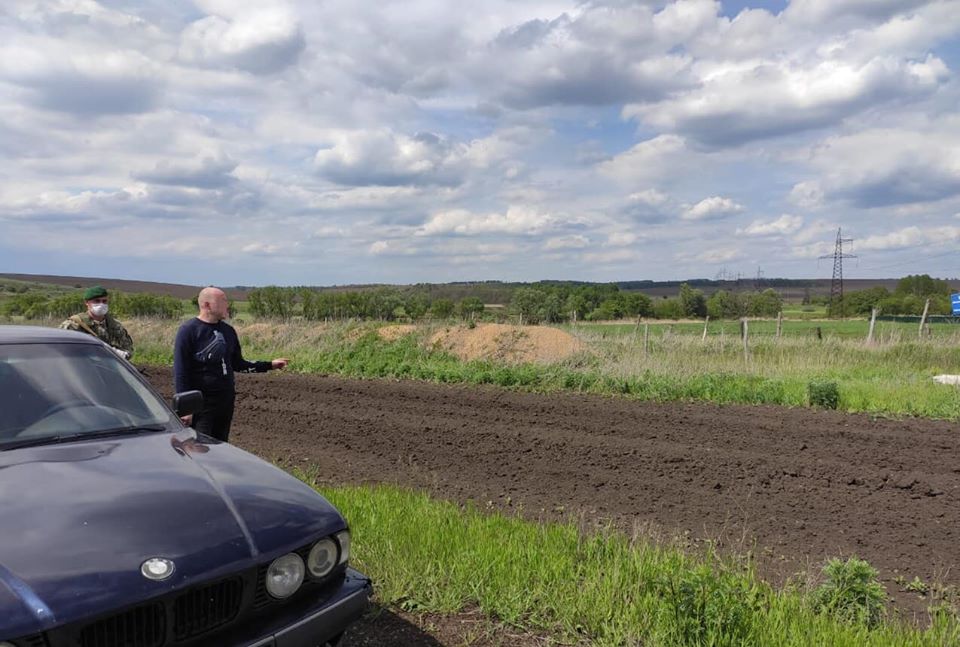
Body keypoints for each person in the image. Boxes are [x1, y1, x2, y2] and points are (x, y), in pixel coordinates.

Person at [173, 287, 288, 442]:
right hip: (201, 404)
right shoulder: (188, 331)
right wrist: (186, 409)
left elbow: (238, 364)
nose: (227, 305)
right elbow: (181, 372)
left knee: (221, 447)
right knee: (200, 449)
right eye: (222, 301)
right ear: (207, 305)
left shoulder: (228, 331)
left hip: (225, 401)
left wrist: (269, 365)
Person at [60, 285, 134, 359]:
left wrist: (121, 354)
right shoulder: (73, 324)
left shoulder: (115, 325)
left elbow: (129, 350)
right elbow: (60, 349)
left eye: (104, 301)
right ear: (87, 303)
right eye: (97, 301)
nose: (101, 304)